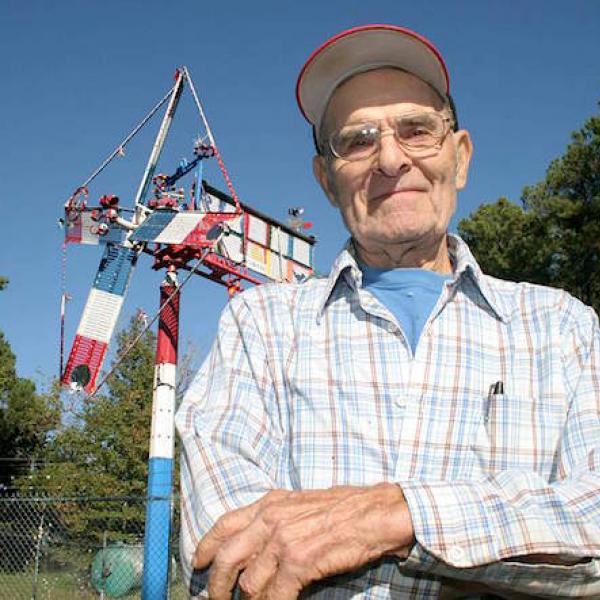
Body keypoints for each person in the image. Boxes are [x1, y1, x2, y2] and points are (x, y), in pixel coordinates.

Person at [175, 25, 600, 599]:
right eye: (358, 140)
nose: (391, 160)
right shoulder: (261, 327)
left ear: (461, 156)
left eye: (417, 130)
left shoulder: (563, 328)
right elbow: (220, 552)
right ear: (326, 180)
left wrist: (394, 517)